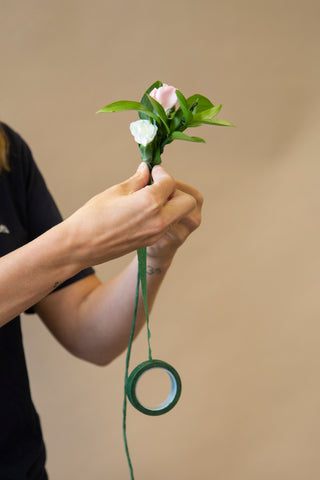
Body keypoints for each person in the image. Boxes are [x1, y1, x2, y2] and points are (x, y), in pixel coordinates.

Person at [0, 122, 203, 479]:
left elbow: (88, 330)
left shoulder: (6, 152)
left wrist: (155, 256)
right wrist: (75, 243)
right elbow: (69, 249)